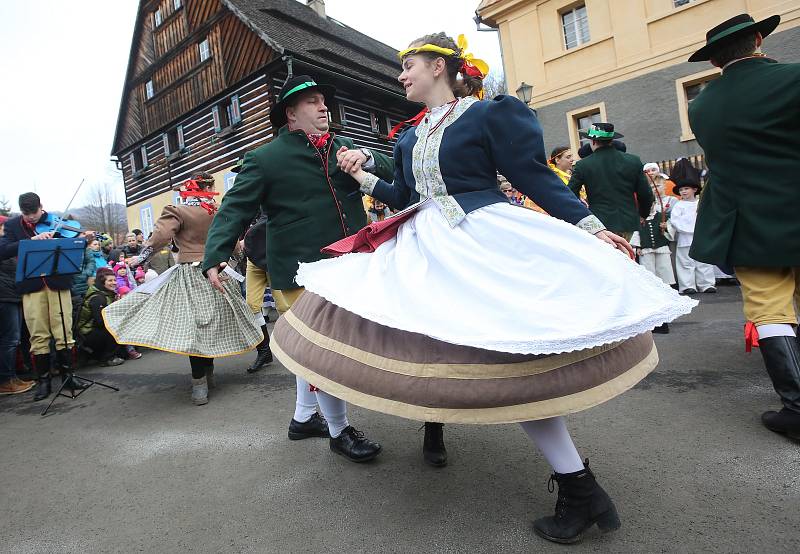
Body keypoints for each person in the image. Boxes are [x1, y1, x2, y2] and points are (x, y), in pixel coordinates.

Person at [273, 32, 696, 544]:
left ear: (440, 67)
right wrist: (363, 176)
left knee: (509, 362)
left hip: (482, 244)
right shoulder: (409, 136)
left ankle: (579, 488)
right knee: (432, 353)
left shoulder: (489, 113)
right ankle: (474, 445)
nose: (401, 75)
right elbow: (405, 196)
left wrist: (588, 225)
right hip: (424, 250)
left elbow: (532, 175)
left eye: (408, 65)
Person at [202, 74, 397, 463]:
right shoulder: (265, 159)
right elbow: (234, 209)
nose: (323, 106)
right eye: (311, 102)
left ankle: (304, 417)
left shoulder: (345, 147)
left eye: (324, 100)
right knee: (326, 351)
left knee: (313, 350)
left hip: (353, 265)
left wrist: (369, 158)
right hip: (300, 268)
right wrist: (215, 255)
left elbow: (392, 172)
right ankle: (339, 431)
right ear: (291, 114)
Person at [687, 13, 800, 439]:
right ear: (758, 40)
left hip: (747, 218)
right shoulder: (793, 77)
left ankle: (797, 406)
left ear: (714, 62)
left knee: (770, 308)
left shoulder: (701, 105)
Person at [103, 173, 262, 406]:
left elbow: (160, 236)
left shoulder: (178, 211)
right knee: (211, 325)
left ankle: (200, 382)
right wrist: (238, 259)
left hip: (192, 273)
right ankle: (206, 374)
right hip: (217, 273)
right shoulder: (215, 211)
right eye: (212, 186)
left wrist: (141, 258)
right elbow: (232, 240)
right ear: (207, 187)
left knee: (194, 328)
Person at [0, 193, 88, 401]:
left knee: (64, 331)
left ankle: (68, 377)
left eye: (34, 212)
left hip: (58, 283)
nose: (31, 217)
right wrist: (30, 241)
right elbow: (2, 250)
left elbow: (73, 246)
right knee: (38, 334)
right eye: (26, 214)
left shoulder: (58, 222)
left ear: (42, 207)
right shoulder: (13, 226)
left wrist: (83, 240)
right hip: (32, 286)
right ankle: (44, 382)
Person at [567, 124, 653, 240]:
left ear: (592, 141)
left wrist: (582, 216)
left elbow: (571, 194)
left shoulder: (583, 165)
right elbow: (646, 194)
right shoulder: (633, 161)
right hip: (628, 221)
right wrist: (643, 214)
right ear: (612, 140)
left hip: (599, 223)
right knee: (625, 256)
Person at [631, 171, 677, 333]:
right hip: (647, 252)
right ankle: (656, 318)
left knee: (664, 277)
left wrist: (666, 228)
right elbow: (636, 233)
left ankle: (666, 314)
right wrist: (636, 247)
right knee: (649, 278)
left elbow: (670, 232)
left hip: (661, 250)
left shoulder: (660, 216)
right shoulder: (639, 219)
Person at [0, 214, 35, 395]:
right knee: (9, 340)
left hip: (11, 294)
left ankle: (12, 377)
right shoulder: (3, 246)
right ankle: (6, 380)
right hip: (4, 296)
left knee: (13, 339)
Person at [669, 182, 716, 294]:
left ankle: (706, 284)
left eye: (686, 189)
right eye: (681, 190)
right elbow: (675, 221)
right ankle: (687, 285)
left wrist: (702, 229)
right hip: (685, 238)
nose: (683, 192)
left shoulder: (700, 203)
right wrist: (688, 228)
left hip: (701, 236)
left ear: (694, 189)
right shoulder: (679, 205)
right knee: (685, 262)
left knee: (703, 261)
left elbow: (708, 217)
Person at [242, 212, 273, 373]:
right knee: (251, 306)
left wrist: (248, 236)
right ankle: (264, 351)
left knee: (285, 307)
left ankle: (296, 351)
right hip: (253, 257)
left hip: (274, 255)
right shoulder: (249, 200)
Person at [77, 267, 125, 366]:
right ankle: (107, 358)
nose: (114, 283)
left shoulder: (107, 294)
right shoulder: (98, 298)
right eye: (110, 280)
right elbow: (99, 321)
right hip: (87, 333)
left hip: (94, 330)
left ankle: (105, 355)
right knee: (114, 329)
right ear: (102, 282)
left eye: (115, 280)